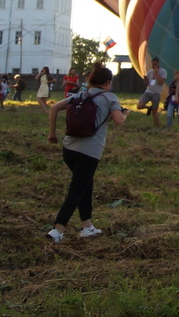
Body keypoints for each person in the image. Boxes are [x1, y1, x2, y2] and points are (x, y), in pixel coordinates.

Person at [45, 65, 127, 242]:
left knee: (85, 185)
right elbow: (119, 121)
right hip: (89, 153)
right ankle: (57, 230)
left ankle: (87, 226)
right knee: (76, 190)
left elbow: (53, 108)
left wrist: (52, 134)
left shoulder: (81, 94)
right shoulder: (110, 97)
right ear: (107, 82)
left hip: (69, 150)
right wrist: (125, 113)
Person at [135, 58, 166, 127]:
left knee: (155, 112)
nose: (154, 65)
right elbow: (147, 84)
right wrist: (145, 80)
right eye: (153, 64)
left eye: (155, 64)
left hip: (156, 93)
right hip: (148, 92)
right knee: (139, 106)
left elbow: (161, 82)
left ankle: (157, 125)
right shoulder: (149, 72)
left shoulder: (163, 72)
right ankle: (149, 108)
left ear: (158, 64)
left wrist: (157, 73)